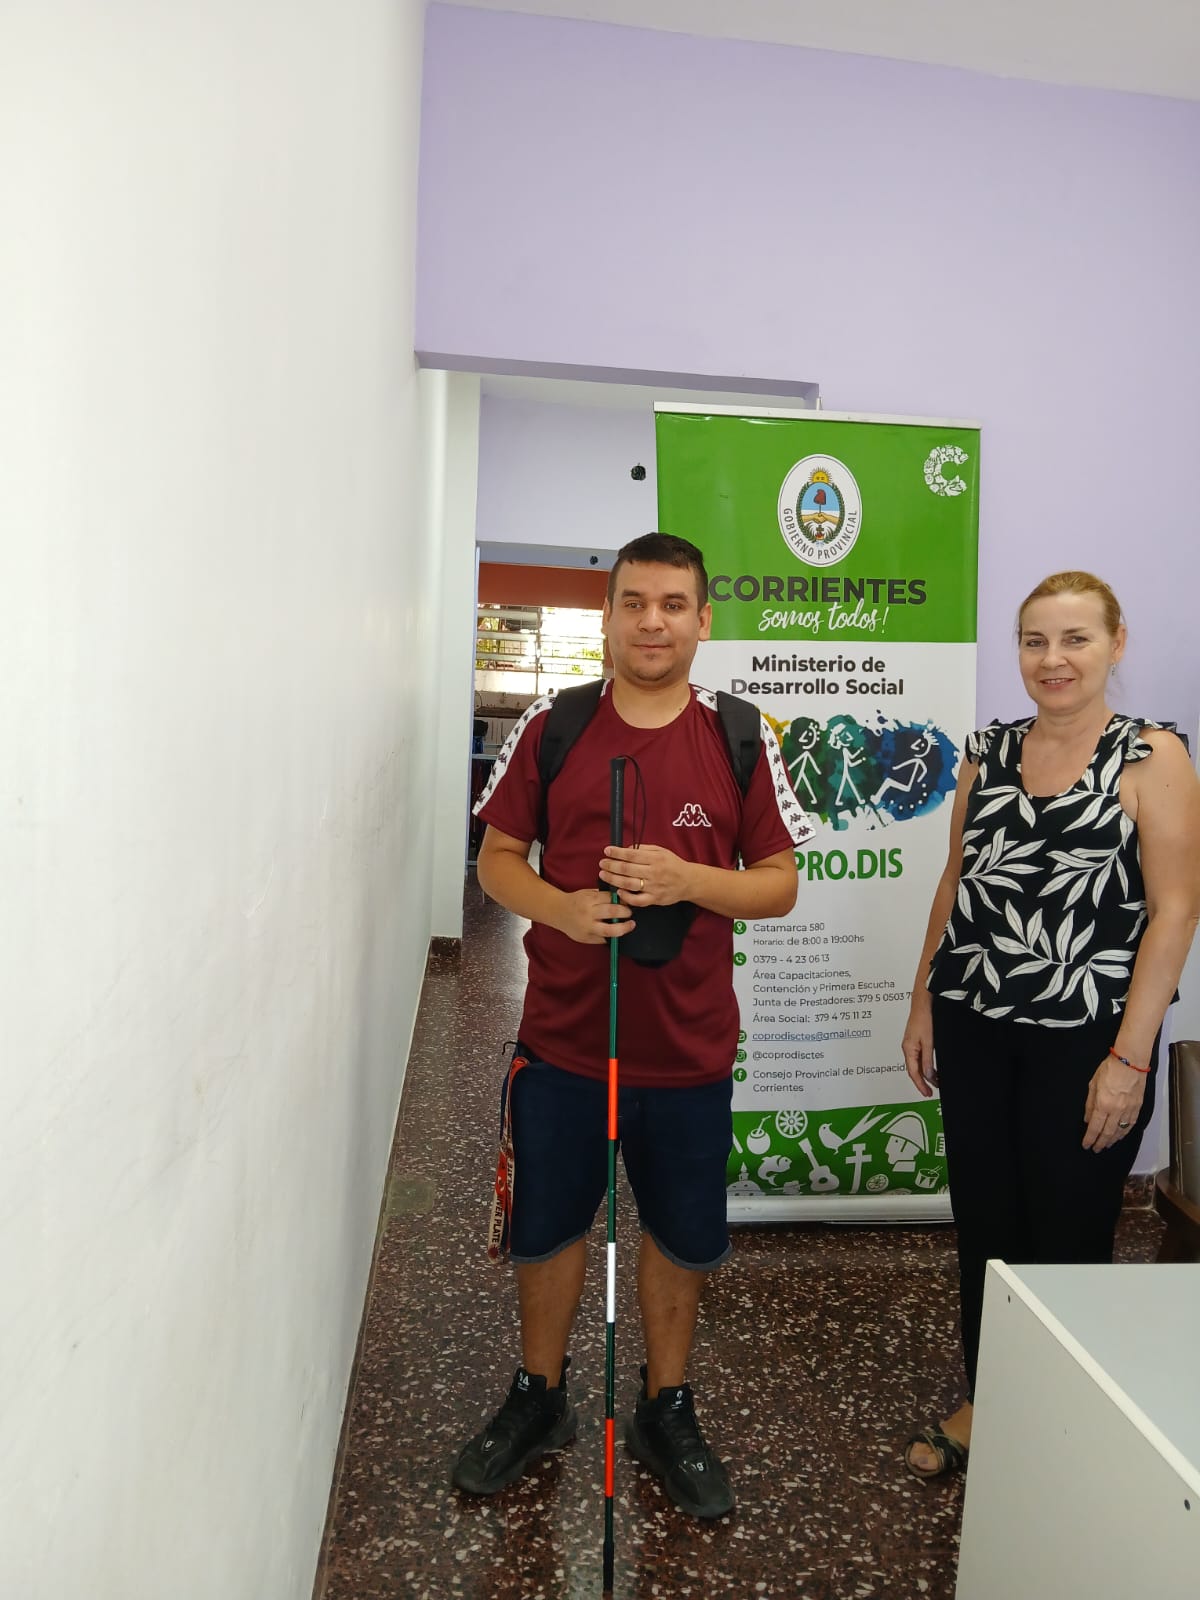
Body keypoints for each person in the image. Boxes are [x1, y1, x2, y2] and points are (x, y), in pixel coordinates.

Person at [452, 532, 811, 1518]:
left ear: (704, 620)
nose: (653, 621)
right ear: (609, 615)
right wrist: (561, 909)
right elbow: (497, 860)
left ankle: (665, 1406)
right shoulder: (554, 725)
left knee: (682, 1235)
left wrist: (689, 880)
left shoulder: (740, 734)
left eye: (673, 604)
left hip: (688, 1051)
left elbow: (779, 883)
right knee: (548, 1226)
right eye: (635, 602)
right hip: (563, 1043)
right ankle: (540, 1396)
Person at [900, 570, 1200, 1478]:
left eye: (1075, 639)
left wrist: (1130, 1061)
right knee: (986, 1222)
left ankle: (1062, 1418)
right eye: (1035, 641)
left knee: (1068, 1227)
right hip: (975, 1022)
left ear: (1115, 644)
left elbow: (1176, 912)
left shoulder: (1151, 757)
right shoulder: (985, 752)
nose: (1053, 659)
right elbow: (957, 881)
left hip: (1089, 1038)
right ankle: (990, 1398)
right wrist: (923, 999)